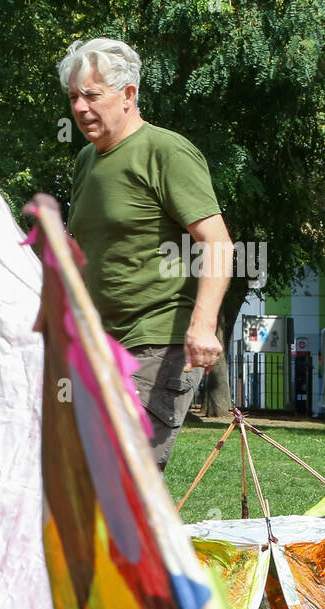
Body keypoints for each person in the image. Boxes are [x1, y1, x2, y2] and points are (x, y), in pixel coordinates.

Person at [60, 38, 231, 470]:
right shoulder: (86, 161)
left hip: (158, 338)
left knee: (120, 473)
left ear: (129, 95)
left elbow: (218, 244)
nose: (80, 108)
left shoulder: (166, 151)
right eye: (74, 97)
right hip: (101, 343)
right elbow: (79, 250)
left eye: (92, 96)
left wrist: (204, 326)